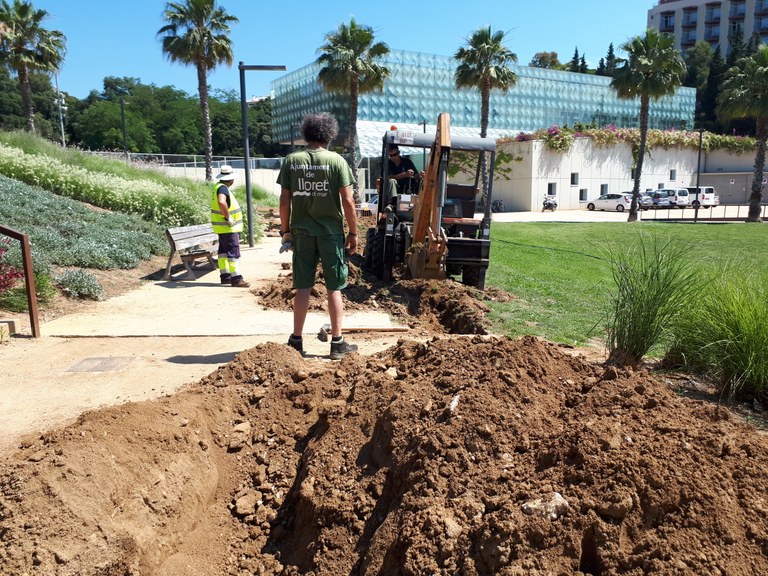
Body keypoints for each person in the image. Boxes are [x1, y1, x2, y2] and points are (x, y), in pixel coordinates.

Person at [278, 112, 359, 360]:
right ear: (329, 134)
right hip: (330, 233)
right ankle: (337, 343)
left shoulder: (292, 161)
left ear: (307, 133)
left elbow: (284, 200)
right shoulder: (337, 162)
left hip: (302, 233)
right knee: (334, 287)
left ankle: (296, 340)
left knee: (303, 286)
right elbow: (347, 201)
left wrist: (285, 231)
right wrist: (354, 233)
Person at [210, 165, 250, 288]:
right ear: (231, 179)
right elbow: (221, 202)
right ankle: (237, 278)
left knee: (223, 252)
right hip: (228, 227)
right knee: (233, 252)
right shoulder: (223, 189)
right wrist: (228, 218)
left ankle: (225, 276)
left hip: (221, 228)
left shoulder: (217, 187)